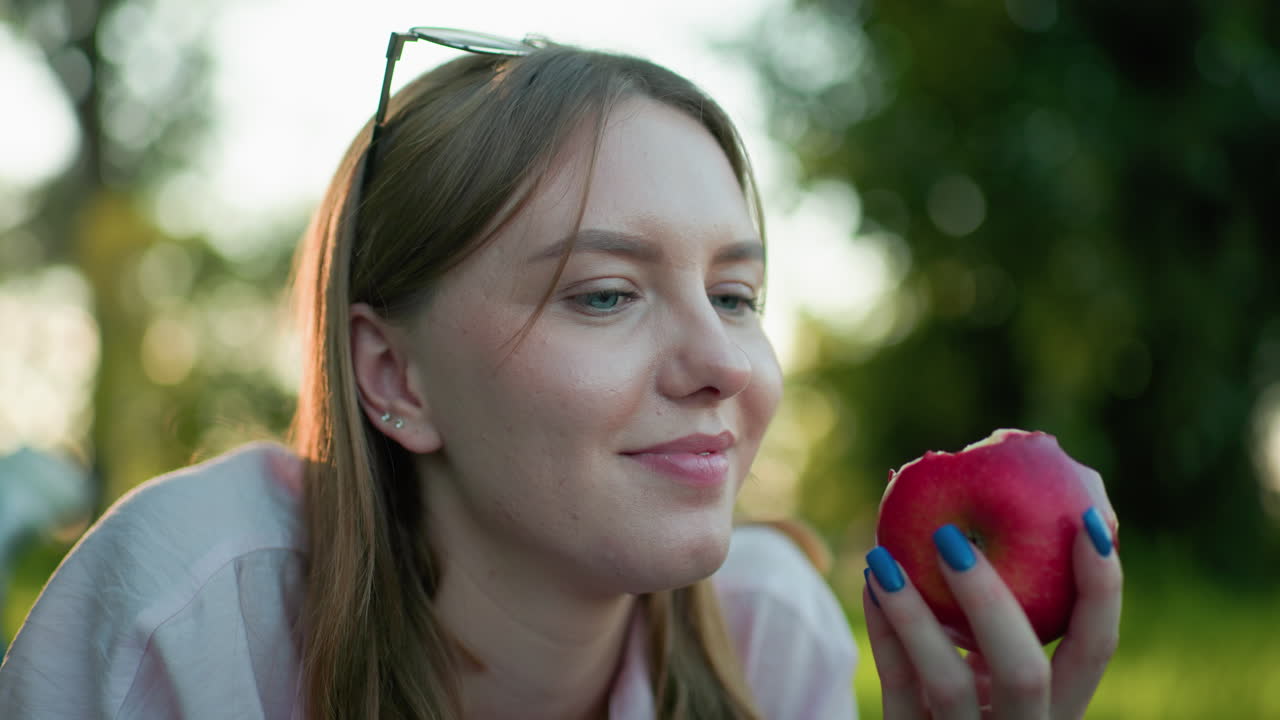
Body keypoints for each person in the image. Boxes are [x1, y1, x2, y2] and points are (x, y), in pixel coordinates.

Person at [0, 27, 1121, 719]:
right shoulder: (181, 628)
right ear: (393, 377)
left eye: (735, 295)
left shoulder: (774, 642)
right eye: (604, 294)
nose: (722, 363)